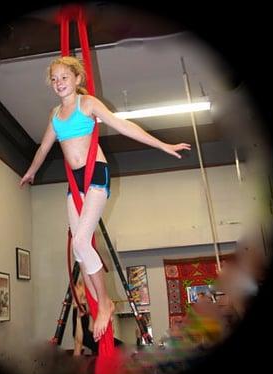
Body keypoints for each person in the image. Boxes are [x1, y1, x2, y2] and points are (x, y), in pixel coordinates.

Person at [19, 56, 191, 342]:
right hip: (74, 183)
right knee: (77, 250)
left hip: (95, 174)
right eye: (54, 79)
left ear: (77, 79)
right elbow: (43, 148)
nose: (59, 83)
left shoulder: (88, 105)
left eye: (64, 77)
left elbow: (123, 126)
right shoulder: (54, 115)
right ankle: (101, 302)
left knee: (81, 241)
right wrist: (30, 173)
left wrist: (163, 145)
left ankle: (105, 303)